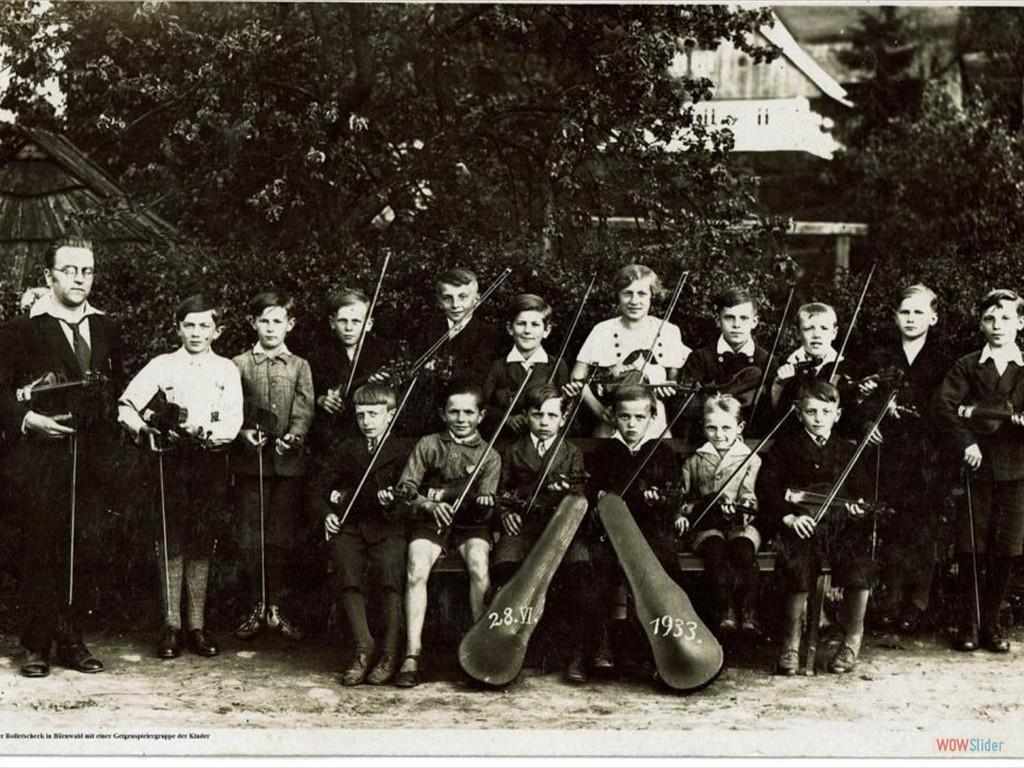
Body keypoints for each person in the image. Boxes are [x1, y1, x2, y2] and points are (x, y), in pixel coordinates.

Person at [0, 238, 124, 677]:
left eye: (87, 271)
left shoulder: (106, 327)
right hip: (40, 460)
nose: (79, 278)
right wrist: (28, 418)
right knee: (40, 549)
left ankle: (72, 640)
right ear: (49, 276)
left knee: (82, 550)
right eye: (69, 270)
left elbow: (115, 389)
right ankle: (35, 644)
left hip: (90, 459)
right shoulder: (22, 329)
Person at [118, 294, 244, 660]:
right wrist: (146, 430)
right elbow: (126, 405)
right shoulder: (162, 364)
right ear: (178, 328)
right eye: (189, 325)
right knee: (170, 538)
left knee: (202, 539)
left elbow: (232, 420)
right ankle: (171, 626)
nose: (196, 332)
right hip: (169, 461)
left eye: (205, 325)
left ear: (216, 331)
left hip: (208, 459)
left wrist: (201, 429)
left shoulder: (226, 370)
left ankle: (196, 626)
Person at [756, 380, 874, 675]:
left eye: (826, 411)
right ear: (799, 414)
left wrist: (858, 509)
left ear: (837, 414)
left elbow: (862, 492)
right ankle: (791, 641)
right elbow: (767, 489)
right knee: (796, 564)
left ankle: (852, 638)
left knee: (858, 562)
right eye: (811, 411)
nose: (818, 418)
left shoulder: (848, 450)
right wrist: (789, 517)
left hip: (840, 527)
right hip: (800, 526)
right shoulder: (785, 447)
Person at [934, 288, 1024, 654]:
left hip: (1018, 470)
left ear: (1020, 322)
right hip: (977, 468)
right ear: (980, 323)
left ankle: (993, 625)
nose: (997, 325)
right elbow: (943, 408)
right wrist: (966, 443)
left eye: (1005, 318)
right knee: (972, 545)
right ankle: (968, 624)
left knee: (1006, 548)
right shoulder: (968, 365)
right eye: (990, 318)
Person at [393, 380, 500, 687]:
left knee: (480, 565)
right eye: (454, 412)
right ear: (443, 414)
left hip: (469, 524)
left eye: (469, 412)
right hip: (429, 520)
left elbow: (486, 509)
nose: (461, 419)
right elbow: (406, 490)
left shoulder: (489, 455)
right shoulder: (428, 444)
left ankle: (481, 650)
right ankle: (412, 652)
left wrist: (482, 502)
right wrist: (428, 503)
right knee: (416, 568)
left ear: (480, 416)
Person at [860, 284, 952, 634]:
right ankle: (891, 600)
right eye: (905, 312)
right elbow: (859, 399)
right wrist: (870, 421)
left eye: (919, 312)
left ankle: (918, 603)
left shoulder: (943, 361)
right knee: (892, 526)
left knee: (924, 528)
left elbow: (945, 410)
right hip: (888, 455)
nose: (911, 318)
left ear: (933, 317)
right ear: (895, 317)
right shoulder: (879, 357)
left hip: (928, 457)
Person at [309, 383, 410, 686]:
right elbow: (317, 488)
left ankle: (390, 653)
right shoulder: (345, 447)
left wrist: (357, 497)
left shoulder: (402, 450)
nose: (366, 421)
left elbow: (408, 498)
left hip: (388, 526)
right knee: (345, 564)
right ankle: (363, 648)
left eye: (374, 415)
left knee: (390, 571)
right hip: (350, 526)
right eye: (361, 415)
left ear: (390, 415)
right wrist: (327, 511)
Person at [492, 384, 592, 682]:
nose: (544, 422)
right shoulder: (513, 451)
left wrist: (567, 494)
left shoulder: (571, 453)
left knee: (579, 575)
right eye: (537, 415)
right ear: (527, 417)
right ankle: (514, 647)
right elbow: (501, 492)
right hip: (524, 527)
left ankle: (575, 653)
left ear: (563, 419)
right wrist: (506, 512)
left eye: (552, 415)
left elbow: (580, 493)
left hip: (563, 529)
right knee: (506, 572)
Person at [231, 291, 315, 641]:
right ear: (253, 323)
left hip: (287, 466)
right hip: (251, 465)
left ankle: (277, 608)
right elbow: (230, 405)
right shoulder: (237, 364)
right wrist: (244, 432)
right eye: (263, 320)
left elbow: (305, 406)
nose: (270, 327)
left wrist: (293, 436)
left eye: (277, 320)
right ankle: (255, 606)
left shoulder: (299, 366)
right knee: (252, 537)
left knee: (281, 538)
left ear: (289, 325)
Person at [586, 385, 679, 673]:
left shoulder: (661, 453)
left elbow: (673, 496)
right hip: (613, 532)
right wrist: (599, 496)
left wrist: (659, 500)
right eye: (625, 417)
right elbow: (592, 489)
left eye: (639, 417)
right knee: (601, 566)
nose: (632, 424)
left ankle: (656, 647)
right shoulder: (605, 451)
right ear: (614, 417)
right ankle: (603, 643)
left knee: (662, 565)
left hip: (650, 531)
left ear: (652, 417)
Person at [675, 394, 762, 637]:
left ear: (739, 427)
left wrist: (742, 507)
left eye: (726, 427)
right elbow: (684, 496)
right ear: (704, 427)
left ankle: (749, 612)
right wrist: (681, 515)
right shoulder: (694, 459)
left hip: (739, 524)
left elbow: (750, 494)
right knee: (714, 550)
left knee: (744, 550)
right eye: (711, 428)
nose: (719, 434)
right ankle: (725, 610)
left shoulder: (750, 459)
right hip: (705, 524)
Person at [570, 264, 690, 437]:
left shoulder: (669, 330)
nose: (634, 301)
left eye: (642, 294)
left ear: (652, 296)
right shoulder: (602, 330)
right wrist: (599, 411)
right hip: (613, 414)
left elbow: (674, 379)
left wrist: (669, 387)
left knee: (660, 453)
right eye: (627, 293)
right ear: (618, 296)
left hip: (654, 415)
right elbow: (577, 377)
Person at [406, 268, 506, 435]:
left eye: (463, 297)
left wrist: (443, 371)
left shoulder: (488, 334)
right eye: (447, 298)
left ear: (477, 299)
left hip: (468, 415)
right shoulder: (426, 330)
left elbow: (479, 374)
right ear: (439, 301)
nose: (455, 305)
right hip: (430, 414)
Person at [678, 287, 772, 436]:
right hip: (707, 437)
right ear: (718, 320)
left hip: (751, 439)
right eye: (729, 317)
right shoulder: (700, 357)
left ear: (754, 322)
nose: (736, 325)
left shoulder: (766, 360)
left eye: (743, 318)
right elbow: (687, 408)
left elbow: (768, 413)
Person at [307, 288, 386, 454]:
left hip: (367, 432)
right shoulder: (318, 355)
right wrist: (321, 400)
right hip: (331, 436)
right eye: (343, 321)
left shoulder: (381, 354)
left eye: (356, 321)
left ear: (368, 324)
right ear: (332, 322)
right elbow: (308, 391)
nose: (349, 327)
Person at [483, 293, 569, 437]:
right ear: (510, 328)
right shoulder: (498, 366)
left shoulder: (558, 366)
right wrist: (506, 419)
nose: (527, 331)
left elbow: (564, 409)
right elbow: (482, 405)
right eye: (521, 324)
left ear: (546, 331)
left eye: (535, 325)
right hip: (504, 440)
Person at [770, 302, 860, 436]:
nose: (816, 335)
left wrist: (860, 396)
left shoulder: (847, 367)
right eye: (808, 328)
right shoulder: (785, 363)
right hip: (792, 439)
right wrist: (778, 386)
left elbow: (850, 417)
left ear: (834, 333)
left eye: (824, 328)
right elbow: (775, 417)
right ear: (798, 333)